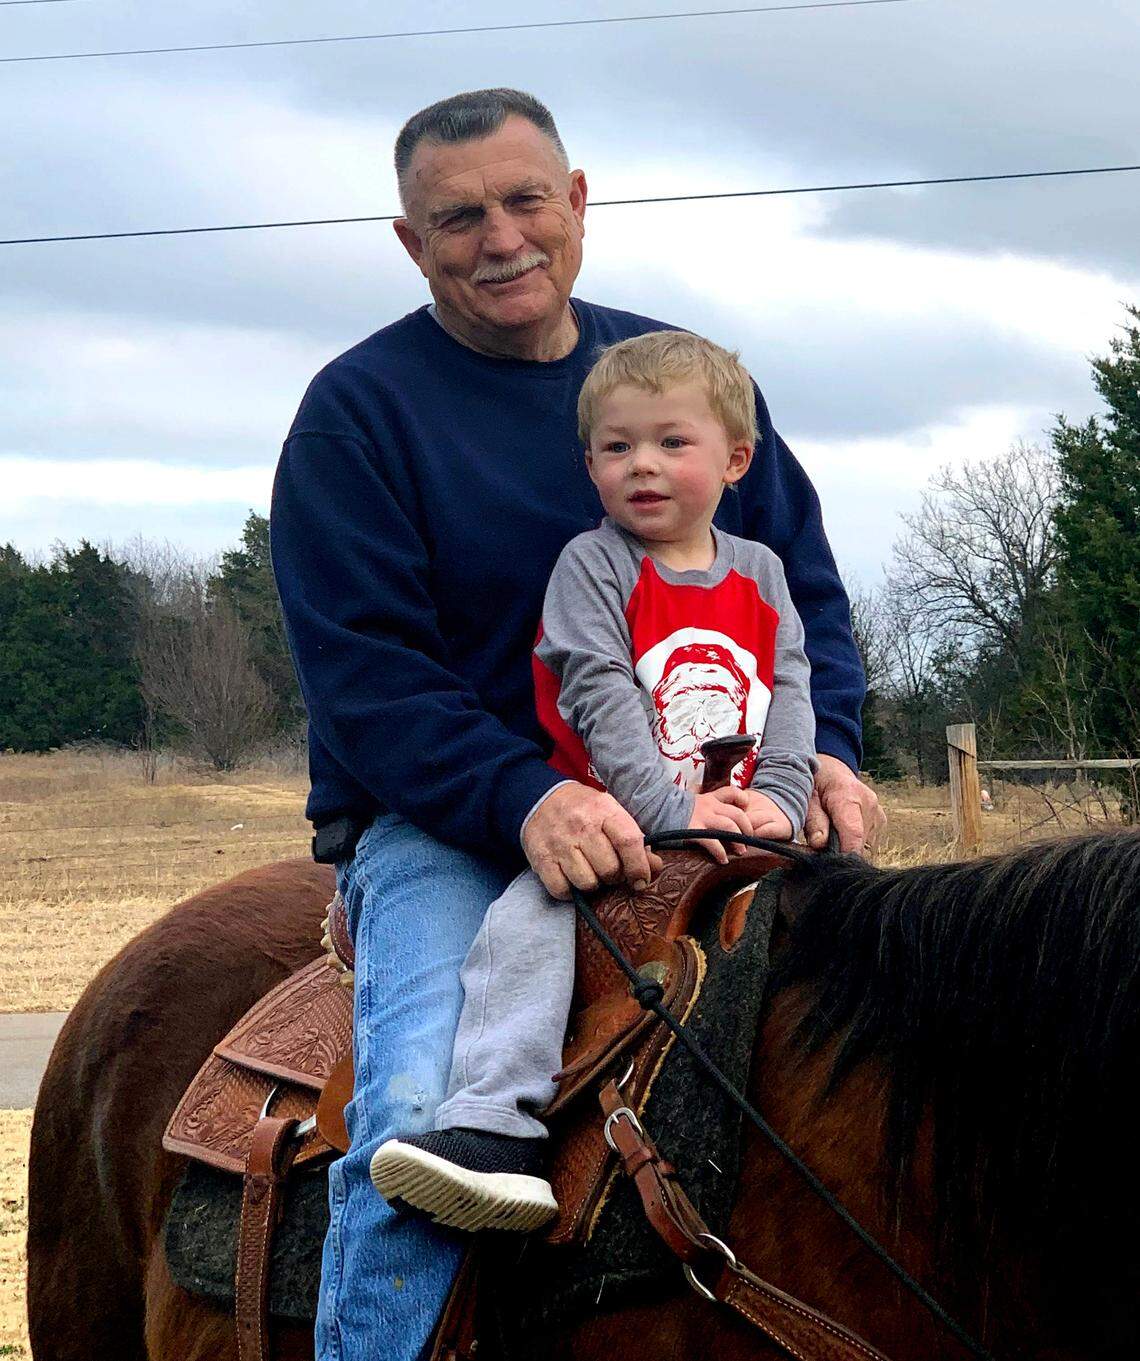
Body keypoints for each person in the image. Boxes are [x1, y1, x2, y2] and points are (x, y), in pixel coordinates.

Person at [270, 87, 884, 1361]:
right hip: (461, 824)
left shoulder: (677, 383)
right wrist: (524, 795)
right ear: (409, 240)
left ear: (579, 203)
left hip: (716, 796)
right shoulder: (359, 416)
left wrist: (829, 753)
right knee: (420, 1123)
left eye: (524, 200)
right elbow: (367, 674)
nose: (499, 237)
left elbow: (800, 598)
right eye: (457, 217)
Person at [369, 330, 817, 1231]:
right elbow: (600, 688)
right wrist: (669, 812)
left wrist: (784, 799)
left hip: (743, 823)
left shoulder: (763, 572)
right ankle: (493, 1121)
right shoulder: (595, 566)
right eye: (617, 448)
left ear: (735, 460)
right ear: (590, 465)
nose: (641, 467)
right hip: (617, 823)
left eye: (670, 443)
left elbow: (792, 686)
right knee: (529, 923)